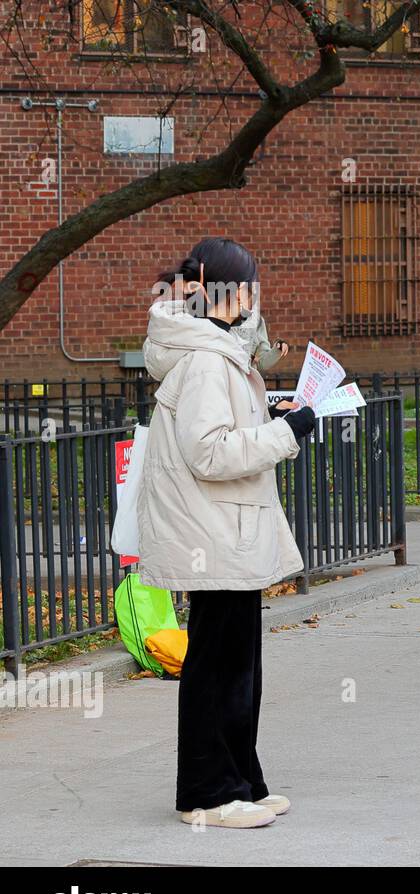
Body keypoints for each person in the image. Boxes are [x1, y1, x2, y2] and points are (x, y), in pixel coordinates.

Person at [138, 238, 317, 829]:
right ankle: (207, 795)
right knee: (218, 666)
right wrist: (286, 434)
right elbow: (209, 452)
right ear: (233, 291)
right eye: (251, 287)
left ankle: (241, 780)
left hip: (223, 531)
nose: (255, 298)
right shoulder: (208, 359)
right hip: (211, 533)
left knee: (237, 663)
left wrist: (277, 419)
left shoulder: (217, 349)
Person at [231, 300, 291, 372]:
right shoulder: (219, 319)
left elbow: (262, 364)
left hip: (245, 378)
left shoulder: (257, 320)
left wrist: (278, 349)